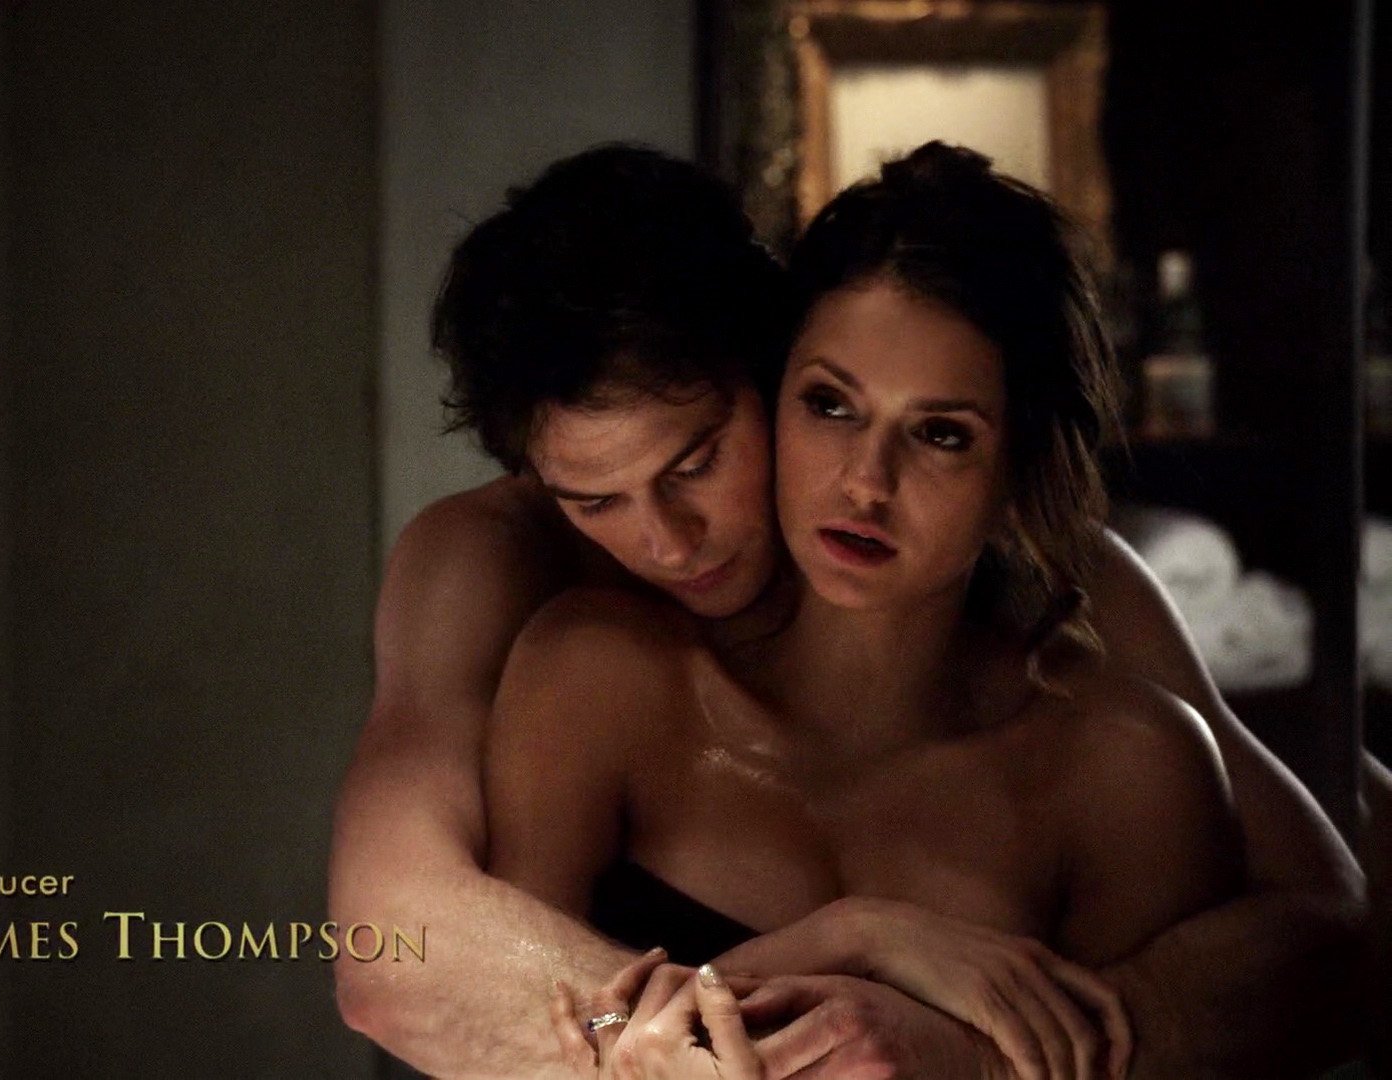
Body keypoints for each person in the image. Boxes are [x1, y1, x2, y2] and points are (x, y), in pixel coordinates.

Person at [326, 145, 1365, 1080]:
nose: (666, 542)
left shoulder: (1077, 633)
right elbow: (388, 950)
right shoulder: (535, 602)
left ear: (771, 365)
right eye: (593, 500)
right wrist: (849, 945)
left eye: (698, 462)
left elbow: (1328, 922)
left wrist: (1008, 1054)